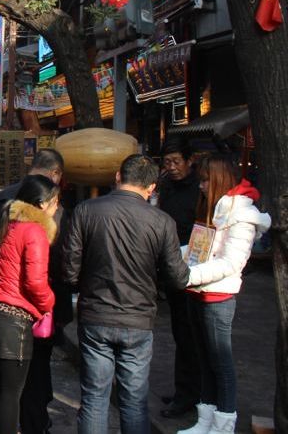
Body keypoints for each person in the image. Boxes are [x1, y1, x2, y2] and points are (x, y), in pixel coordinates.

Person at [62, 154, 191, 434]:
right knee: (133, 401)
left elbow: (70, 270)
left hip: (96, 314)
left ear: (118, 176)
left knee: (95, 398)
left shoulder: (86, 211)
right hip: (138, 318)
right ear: (152, 187)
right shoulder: (161, 221)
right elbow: (177, 277)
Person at [177, 155, 271, 434]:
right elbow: (198, 250)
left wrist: (187, 274)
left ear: (218, 179)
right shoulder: (212, 208)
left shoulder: (241, 216)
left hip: (218, 298)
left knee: (221, 364)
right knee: (205, 360)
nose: (201, 186)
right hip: (196, 293)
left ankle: (223, 424)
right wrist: (174, 258)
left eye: (205, 180)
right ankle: (204, 421)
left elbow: (231, 263)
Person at [0, 149, 68, 434]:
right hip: (19, 313)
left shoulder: (6, 216)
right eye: (55, 203)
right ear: (43, 203)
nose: (57, 209)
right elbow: (36, 282)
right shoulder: (34, 230)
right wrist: (50, 303)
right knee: (18, 386)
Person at [157, 143, 203, 418]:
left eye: (176, 162)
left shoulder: (200, 187)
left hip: (193, 269)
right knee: (180, 333)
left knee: (190, 335)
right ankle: (183, 390)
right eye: (167, 162)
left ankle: (190, 395)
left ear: (190, 160)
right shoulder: (166, 185)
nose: (172, 167)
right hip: (172, 267)